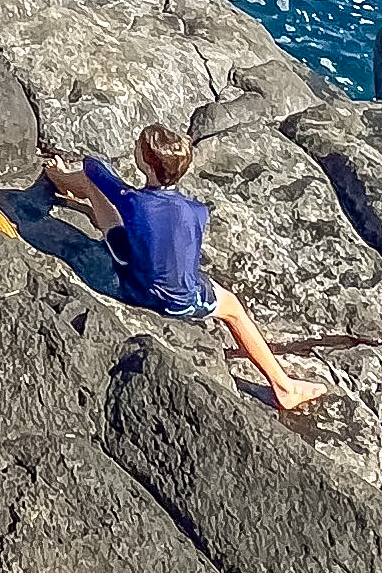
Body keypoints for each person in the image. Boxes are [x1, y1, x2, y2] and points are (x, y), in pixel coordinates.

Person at [40, 125, 327, 415]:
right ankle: (284, 386)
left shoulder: (134, 202)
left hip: (133, 284)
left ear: (146, 163)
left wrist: (86, 168)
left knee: (94, 186)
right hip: (186, 298)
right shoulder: (196, 210)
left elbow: (94, 167)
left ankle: (58, 177)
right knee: (234, 309)